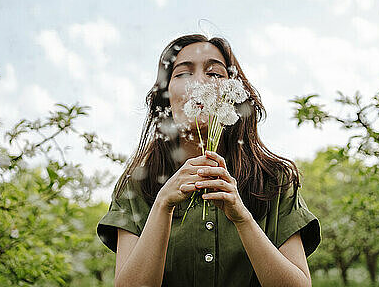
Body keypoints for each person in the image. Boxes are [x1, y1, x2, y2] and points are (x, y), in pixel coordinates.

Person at [97, 34, 321, 287]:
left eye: (214, 73)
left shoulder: (274, 179)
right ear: (166, 96)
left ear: (234, 93)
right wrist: (162, 205)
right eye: (182, 73)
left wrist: (242, 217)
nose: (199, 82)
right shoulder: (138, 184)